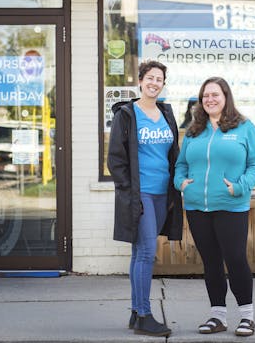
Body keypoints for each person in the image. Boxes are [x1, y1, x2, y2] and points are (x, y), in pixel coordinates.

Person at [174, 77, 255, 337]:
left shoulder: (244, 128)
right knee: (211, 262)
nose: (210, 99)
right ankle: (218, 316)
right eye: (205, 96)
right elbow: (181, 164)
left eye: (215, 94)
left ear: (226, 97)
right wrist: (181, 183)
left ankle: (247, 316)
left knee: (235, 259)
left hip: (231, 205)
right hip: (196, 207)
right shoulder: (194, 130)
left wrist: (239, 187)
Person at [108, 60, 182, 337]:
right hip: (141, 195)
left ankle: (135, 312)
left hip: (164, 194)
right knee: (147, 253)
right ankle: (144, 314)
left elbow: (173, 152)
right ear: (140, 81)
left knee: (140, 252)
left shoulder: (166, 113)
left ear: (163, 84)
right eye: (150, 78)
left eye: (159, 79)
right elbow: (115, 160)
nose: (154, 83)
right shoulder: (127, 114)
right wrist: (130, 194)